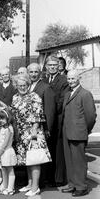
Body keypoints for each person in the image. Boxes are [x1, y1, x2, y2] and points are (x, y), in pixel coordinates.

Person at [11, 75, 52, 197]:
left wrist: (34, 132)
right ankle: (29, 184)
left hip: (32, 132)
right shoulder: (15, 97)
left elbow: (38, 115)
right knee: (27, 159)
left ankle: (35, 187)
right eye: (20, 86)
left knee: (34, 160)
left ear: (28, 85)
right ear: (16, 86)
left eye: (25, 85)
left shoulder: (34, 97)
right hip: (21, 132)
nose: (22, 87)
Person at [61, 70, 96, 197]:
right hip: (67, 132)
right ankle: (72, 184)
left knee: (79, 161)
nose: (70, 81)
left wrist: (84, 130)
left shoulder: (85, 94)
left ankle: (81, 186)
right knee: (69, 161)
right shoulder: (68, 94)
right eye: (69, 79)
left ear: (79, 78)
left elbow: (91, 116)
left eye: (73, 79)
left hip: (78, 133)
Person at [28, 63, 57, 187]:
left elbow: (50, 110)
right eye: (31, 72)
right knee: (31, 155)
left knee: (40, 156)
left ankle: (41, 182)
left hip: (40, 128)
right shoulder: (27, 86)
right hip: (28, 128)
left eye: (36, 72)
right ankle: (31, 182)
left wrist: (47, 128)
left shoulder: (46, 87)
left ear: (40, 73)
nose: (33, 74)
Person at [44, 55, 70, 186]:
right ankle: (47, 177)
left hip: (58, 120)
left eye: (55, 65)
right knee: (47, 149)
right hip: (45, 119)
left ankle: (58, 179)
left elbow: (62, 101)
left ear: (58, 66)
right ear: (46, 67)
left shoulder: (64, 80)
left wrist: (51, 111)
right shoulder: (44, 80)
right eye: (50, 65)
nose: (52, 67)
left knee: (57, 150)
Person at [0, 109, 17, 195]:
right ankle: (4, 186)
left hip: (7, 151)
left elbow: (6, 142)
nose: (1, 120)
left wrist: (0, 152)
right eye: (0, 118)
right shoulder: (2, 128)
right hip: (2, 152)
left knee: (10, 170)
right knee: (3, 169)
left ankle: (11, 188)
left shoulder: (9, 128)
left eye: (2, 118)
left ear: (8, 118)